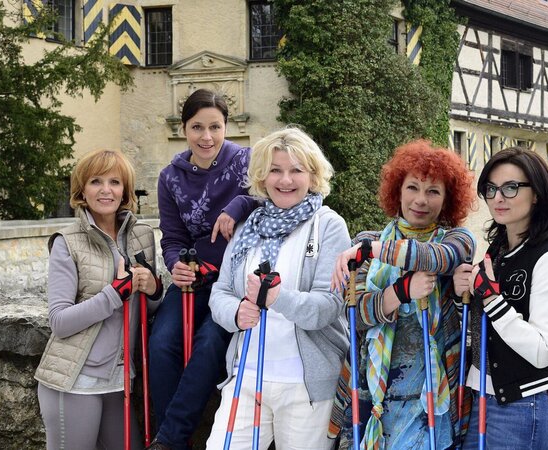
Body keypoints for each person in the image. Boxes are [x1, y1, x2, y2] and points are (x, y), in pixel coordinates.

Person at [204, 126, 351, 449]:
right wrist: (237, 312)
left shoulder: (328, 226)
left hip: (306, 386)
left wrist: (278, 298)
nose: (285, 180)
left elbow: (329, 307)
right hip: (246, 376)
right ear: (262, 176)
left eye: (296, 170)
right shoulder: (248, 227)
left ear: (312, 176)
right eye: (275, 170)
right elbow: (221, 293)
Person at [328, 140, 477, 450]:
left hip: (432, 403)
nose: (421, 200)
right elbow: (356, 315)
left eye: (433, 191)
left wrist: (374, 251)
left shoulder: (456, 240)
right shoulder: (367, 241)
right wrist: (403, 291)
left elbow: (436, 258)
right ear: (397, 191)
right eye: (412, 187)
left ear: (448, 199)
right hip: (372, 397)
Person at [148, 89, 257, 450]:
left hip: (235, 279)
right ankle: (170, 439)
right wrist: (175, 265)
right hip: (193, 278)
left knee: (210, 341)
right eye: (197, 127)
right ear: (184, 129)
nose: (206, 137)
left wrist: (237, 205)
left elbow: (269, 196)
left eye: (215, 127)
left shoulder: (247, 161)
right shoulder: (170, 177)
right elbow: (172, 237)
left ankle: (169, 440)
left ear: (227, 126)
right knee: (161, 343)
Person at [35, 149, 162, 450]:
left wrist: (153, 289)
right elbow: (60, 321)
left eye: (114, 182)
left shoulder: (142, 236)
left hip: (120, 381)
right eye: (96, 181)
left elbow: (148, 309)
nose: (106, 190)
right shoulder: (67, 242)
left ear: (125, 190)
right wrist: (114, 294)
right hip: (74, 381)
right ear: (82, 190)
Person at [453, 147, 548, 449]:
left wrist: (492, 299)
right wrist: (462, 296)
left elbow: (544, 351)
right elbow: (482, 329)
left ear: (536, 194)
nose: (498, 197)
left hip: (527, 405)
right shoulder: (498, 253)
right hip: (483, 399)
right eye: (491, 189)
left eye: (510, 187)